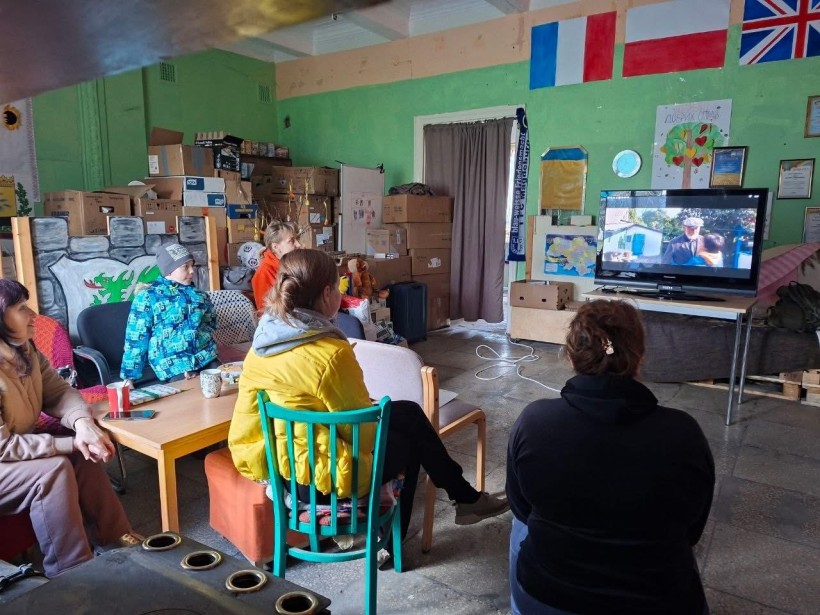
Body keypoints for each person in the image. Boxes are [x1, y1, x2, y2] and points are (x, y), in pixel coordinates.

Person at [229, 248, 508, 543]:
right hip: (322, 477)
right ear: (326, 294)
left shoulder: (263, 343)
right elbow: (362, 436)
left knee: (409, 412)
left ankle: (463, 498)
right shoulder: (331, 353)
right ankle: (391, 541)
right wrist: (369, 409)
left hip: (280, 464)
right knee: (411, 439)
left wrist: (370, 410)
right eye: (338, 285)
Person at [506, 300, 715, 615]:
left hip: (546, 597)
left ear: (570, 354)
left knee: (521, 524)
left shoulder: (533, 421)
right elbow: (692, 531)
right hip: (660, 602)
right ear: (639, 356)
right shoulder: (683, 433)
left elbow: (521, 507)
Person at [0, 280, 142, 577]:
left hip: (15, 450)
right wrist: (70, 443)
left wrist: (83, 426)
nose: (33, 316)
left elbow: (60, 393)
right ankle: (74, 572)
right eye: (21, 309)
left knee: (82, 453)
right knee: (52, 470)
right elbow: (3, 447)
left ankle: (116, 538)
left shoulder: (25, 351)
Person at [121, 243, 218, 383]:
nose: (192, 271)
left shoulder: (199, 295)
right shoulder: (148, 297)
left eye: (192, 266)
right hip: (173, 364)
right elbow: (136, 339)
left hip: (206, 357)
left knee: (229, 384)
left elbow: (210, 323)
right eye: (185, 267)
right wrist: (129, 377)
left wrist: (204, 341)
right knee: (190, 398)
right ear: (169, 271)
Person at [252, 221, 303, 310]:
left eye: (297, 239)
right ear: (275, 247)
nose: (298, 245)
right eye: (291, 241)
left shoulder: (291, 264)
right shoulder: (264, 272)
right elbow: (264, 312)